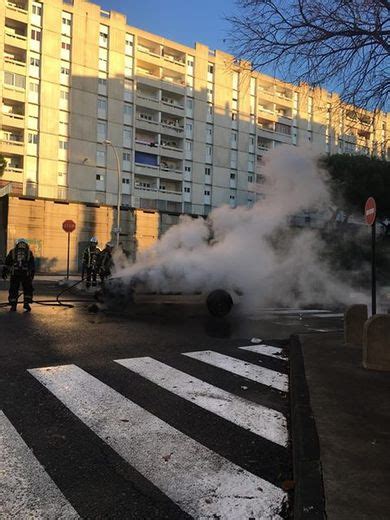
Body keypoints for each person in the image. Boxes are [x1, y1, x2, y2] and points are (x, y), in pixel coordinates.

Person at [2, 238, 35, 312]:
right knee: (27, 289)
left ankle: (13, 306)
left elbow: (7, 263)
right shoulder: (29, 252)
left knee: (13, 289)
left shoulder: (12, 251)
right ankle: (26, 304)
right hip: (26, 275)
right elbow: (32, 266)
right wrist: (31, 275)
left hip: (15, 274)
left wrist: (4, 272)